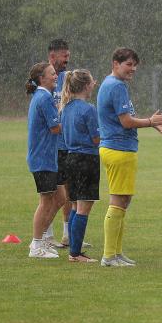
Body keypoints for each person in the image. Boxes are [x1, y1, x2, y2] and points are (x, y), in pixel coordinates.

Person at [98, 48, 162, 267]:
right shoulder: (117, 86)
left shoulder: (111, 84)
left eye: (135, 65)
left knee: (123, 201)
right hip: (118, 149)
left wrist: (152, 124)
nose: (133, 69)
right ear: (115, 63)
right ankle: (109, 256)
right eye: (129, 64)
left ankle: (116, 253)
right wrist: (150, 122)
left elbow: (126, 118)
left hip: (117, 148)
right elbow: (126, 122)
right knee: (118, 201)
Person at [59, 69, 101, 263]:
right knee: (84, 208)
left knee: (75, 206)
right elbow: (96, 138)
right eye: (92, 82)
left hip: (70, 159)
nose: (94, 85)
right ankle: (75, 254)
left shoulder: (65, 108)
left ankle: (74, 250)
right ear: (86, 85)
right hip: (86, 160)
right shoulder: (88, 109)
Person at [25, 62, 62, 259]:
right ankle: (36, 245)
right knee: (45, 201)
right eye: (52, 74)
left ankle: (42, 241)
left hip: (46, 157)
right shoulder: (45, 97)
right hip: (42, 158)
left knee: (58, 198)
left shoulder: (42, 96)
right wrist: (75, 120)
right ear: (41, 78)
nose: (56, 76)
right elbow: (55, 128)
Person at [47, 39, 71, 250]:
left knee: (69, 192)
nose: (67, 60)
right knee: (52, 193)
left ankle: (67, 234)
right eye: (64, 56)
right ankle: (46, 235)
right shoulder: (41, 77)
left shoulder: (68, 78)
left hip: (68, 144)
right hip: (52, 145)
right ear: (52, 56)